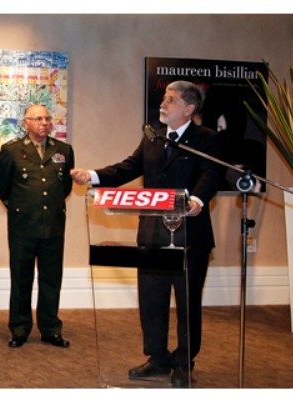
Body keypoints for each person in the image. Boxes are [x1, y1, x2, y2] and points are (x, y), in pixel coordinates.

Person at [70, 80, 221, 388]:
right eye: (164, 98)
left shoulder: (206, 139)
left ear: (189, 108)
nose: (162, 104)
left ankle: (184, 362)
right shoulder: (153, 137)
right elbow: (128, 168)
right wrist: (93, 176)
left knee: (187, 302)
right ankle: (157, 358)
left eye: (170, 100)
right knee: (152, 299)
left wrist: (197, 199)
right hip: (152, 234)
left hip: (189, 236)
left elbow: (211, 174)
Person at [0, 104, 74, 350]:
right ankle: (19, 329)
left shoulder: (63, 150)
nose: (44, 123)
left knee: (52, 278)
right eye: (38, 119)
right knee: (21, 278)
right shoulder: (11, 150)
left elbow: (65, 187)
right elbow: (2, 186)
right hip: (23, 226)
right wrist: (21, 207)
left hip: (53, 225)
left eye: (47, 118)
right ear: (26, 123)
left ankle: (50, 329)